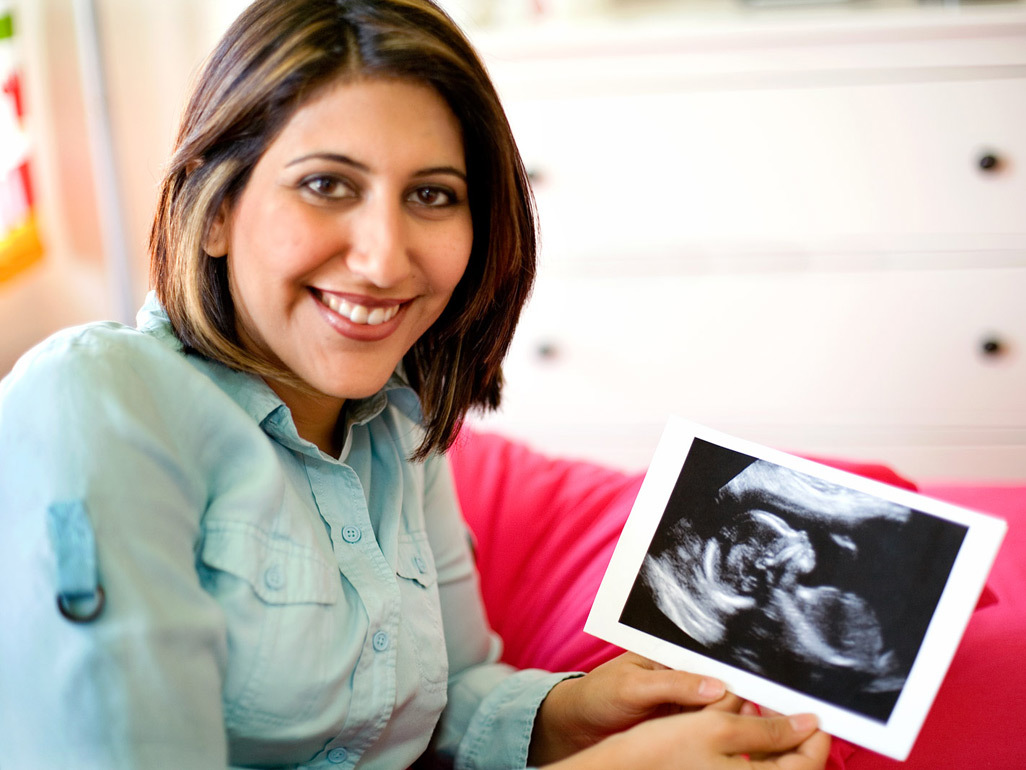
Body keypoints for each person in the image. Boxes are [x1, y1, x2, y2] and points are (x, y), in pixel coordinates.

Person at [0, 1, 830, 767]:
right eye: (327, 184)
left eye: (432, 195)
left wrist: (575, 711)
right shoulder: (97, 403)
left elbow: (441, 702)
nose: (385, 258)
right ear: (215, 208)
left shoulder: (399, 425)